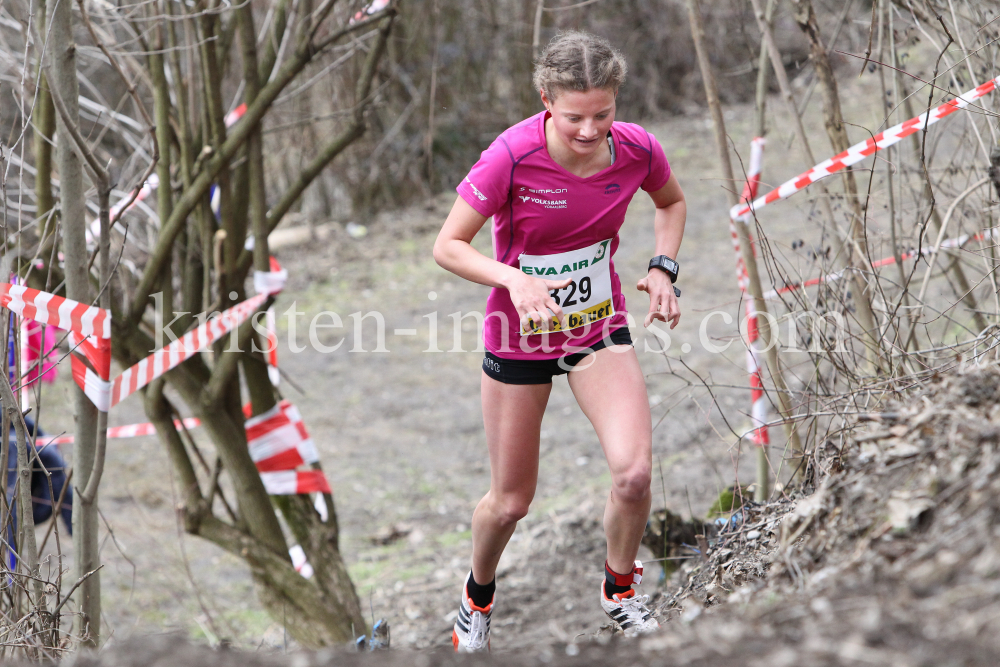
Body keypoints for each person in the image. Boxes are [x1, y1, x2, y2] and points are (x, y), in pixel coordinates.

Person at [433, 30, 686, 652]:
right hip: (517, 336)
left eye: (603, 113)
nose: (589, 130)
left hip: (598, 325)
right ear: (546, 99)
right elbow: (447, 246)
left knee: (633, 474)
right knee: (511, 502)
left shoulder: (636, 150)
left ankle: (619, 590)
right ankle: (477, 596)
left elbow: (671, 204)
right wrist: (513, 277)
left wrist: (662, 266)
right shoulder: (511, 156)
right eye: (574, 117)